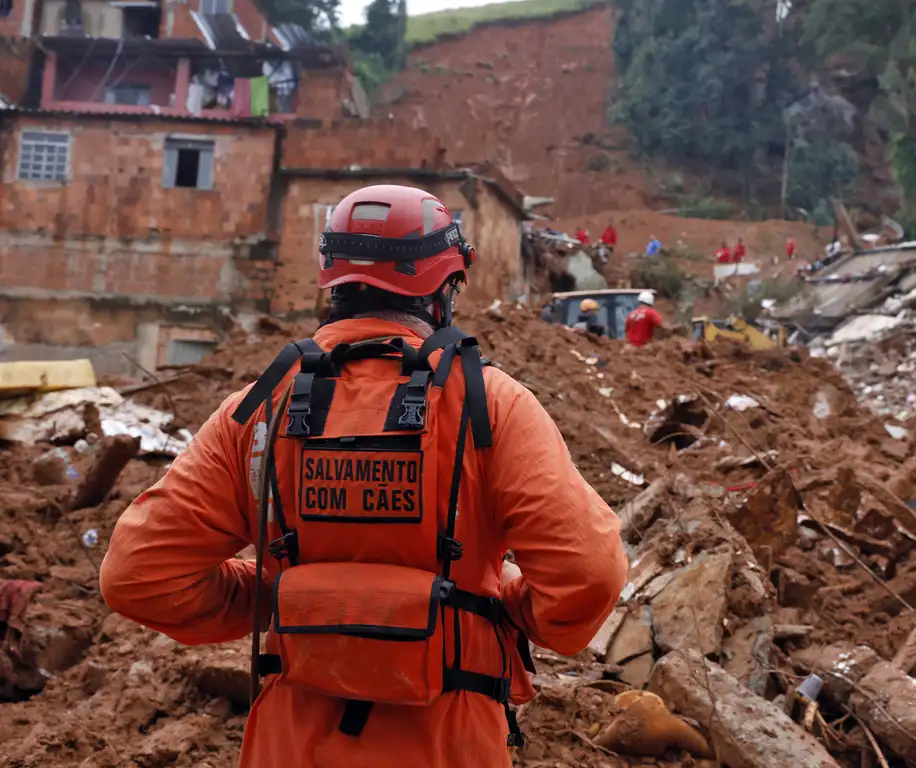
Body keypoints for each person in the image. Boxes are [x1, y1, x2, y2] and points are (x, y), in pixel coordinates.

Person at [99, 185, 627, 768]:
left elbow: (137, 575)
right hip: (450, 743)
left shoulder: (257, 411)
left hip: (289, 746)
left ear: (332, 283)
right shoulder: (492, 407)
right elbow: (588, 575)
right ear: (443, 288)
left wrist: (286, 598)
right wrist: (500, 606)